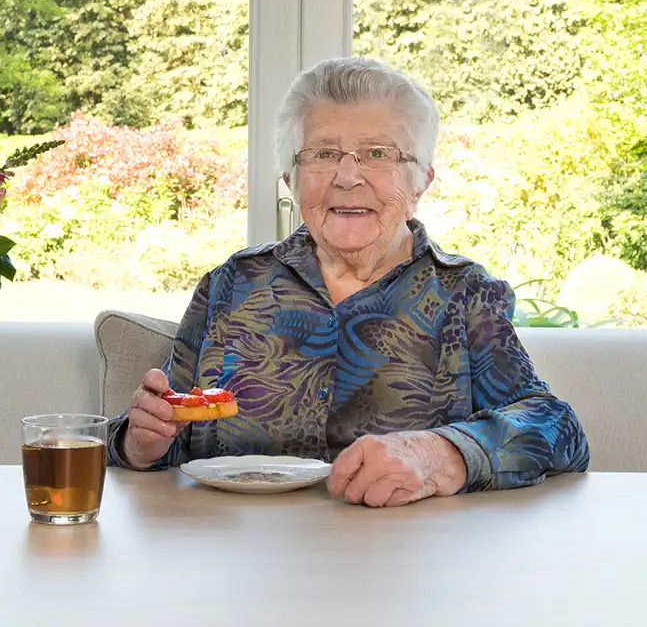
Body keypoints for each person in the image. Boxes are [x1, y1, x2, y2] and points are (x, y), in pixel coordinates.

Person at [107, 57, 589, 507]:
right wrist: (140, 442)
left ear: (421, 181)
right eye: (323, 153)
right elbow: (166, 432)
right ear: (290, 179)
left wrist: (442, 454)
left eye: (377, 153)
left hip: (401, 567)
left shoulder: (463, 295)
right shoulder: (233, 285)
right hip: (245, 564)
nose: (347, 176)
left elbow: (557, 427)